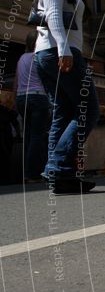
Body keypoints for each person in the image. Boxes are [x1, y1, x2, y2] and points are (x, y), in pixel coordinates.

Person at [33, 0, 99, 194]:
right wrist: (63, 48)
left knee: (64, 113)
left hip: (52, 52)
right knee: (88, 110)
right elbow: (52, 15)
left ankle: (61, 175)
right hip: (58, 51)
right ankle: (59, 168)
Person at [15, 31, 50, 183]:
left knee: (29, 136)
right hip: (38, 97)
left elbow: (16, 82)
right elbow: (48, 80)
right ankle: (33, 173)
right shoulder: (40, 57)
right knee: (38, 136)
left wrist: (16, 102)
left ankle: (29, 172)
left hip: (22, 98)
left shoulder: (21, 58)